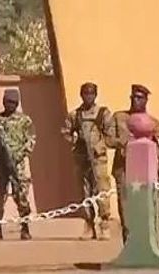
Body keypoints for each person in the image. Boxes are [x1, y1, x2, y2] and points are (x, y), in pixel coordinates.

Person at [109, 84, 159, 243]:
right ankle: (128, 243)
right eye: (134, 97)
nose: (136, 101)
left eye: (140, 98)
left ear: (146, 100)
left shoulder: (153, 123)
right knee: (125, 207)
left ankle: (149, 243)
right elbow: (108, 139)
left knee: (147, 207)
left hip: (146, 171)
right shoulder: (119, 117)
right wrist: (124, 142)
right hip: (123, 169)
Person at [62, 82, 113, 240]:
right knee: (85, 192)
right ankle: (89, 225)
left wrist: (100, 144)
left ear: (95, 95)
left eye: (91, 93)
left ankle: (104, 224)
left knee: (102, 190)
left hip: (98, 159)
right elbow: (65, 132)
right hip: (82, 158)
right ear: (81, 95)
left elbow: (110, 132)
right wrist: (74, 140)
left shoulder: (103, 113)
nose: (88, 96)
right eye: (85, 93)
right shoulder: (75, 115)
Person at [0, 89, 35, 241]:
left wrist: (18, 155)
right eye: (7, 102)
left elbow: (31, 140)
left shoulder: (25, 121)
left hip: (17, 165)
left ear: (17, 103)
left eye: (12, 102)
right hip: (1, 164)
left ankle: (25, 229)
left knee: (21, 197)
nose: (9, 105)